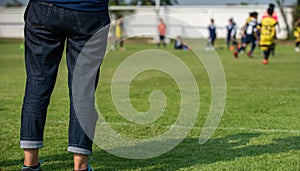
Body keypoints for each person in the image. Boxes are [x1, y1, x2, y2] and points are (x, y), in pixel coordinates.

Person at [20, 0, 110, 171]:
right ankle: (80, 166)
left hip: (43, 8)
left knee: (37, 84)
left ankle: (30, 164)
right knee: (83, 90)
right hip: (90, 11)